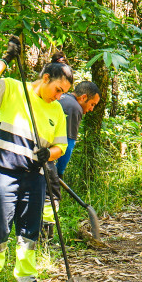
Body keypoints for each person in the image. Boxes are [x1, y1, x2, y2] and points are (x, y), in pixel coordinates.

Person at [0, 36, 70, 282]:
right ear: (46, 78)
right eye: (58, 89)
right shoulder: (15, 90)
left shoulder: (58, 111)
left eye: (64, 92)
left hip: (34, 176)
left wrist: (47, 155)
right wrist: (6, 58)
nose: (59, 95)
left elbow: (60, 146)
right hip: (4, 172)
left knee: (29, 231)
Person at [42, 76, 101, 237]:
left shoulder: (63, 100)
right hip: (48, 159)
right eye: (92, 104)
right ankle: (45, 240)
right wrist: (59, 172)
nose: (91, 109)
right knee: (51, 199)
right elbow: (67, 145)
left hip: (38, 154)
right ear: (83, 98)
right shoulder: (74, 107)